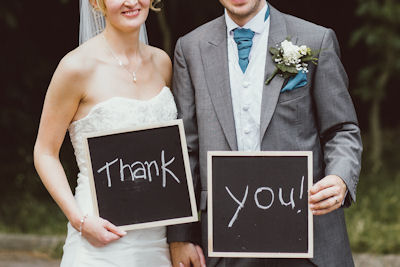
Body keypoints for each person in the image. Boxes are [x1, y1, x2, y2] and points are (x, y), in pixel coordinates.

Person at [168, 0, 362, 266]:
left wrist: (339, 176)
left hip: (307, 236)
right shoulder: (190, 49)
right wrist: (181, 236)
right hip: (226, 239)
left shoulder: (315, 39)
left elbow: (342, 129)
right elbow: (185, 150)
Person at [33, 0, 174, 266]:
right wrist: (79, 220)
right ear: (97, 3)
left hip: (157, 240)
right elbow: (44, 152)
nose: (131, 2)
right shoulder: (76, 68)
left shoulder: (162, 63)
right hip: (99, 236)